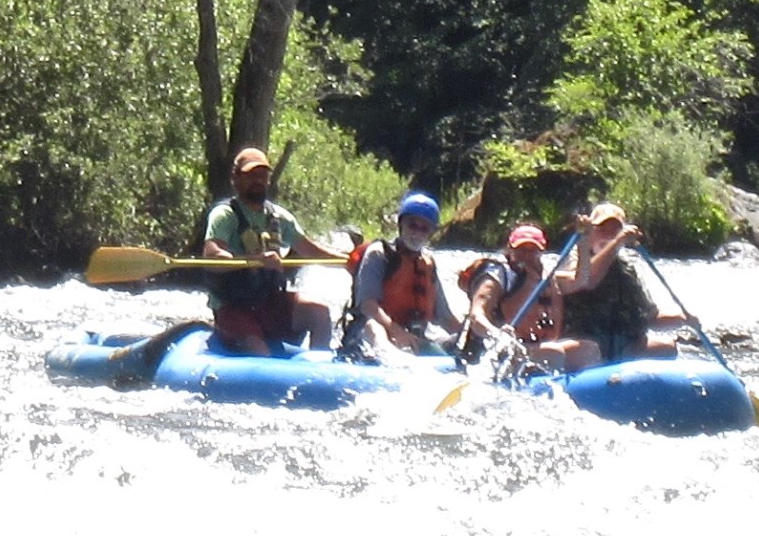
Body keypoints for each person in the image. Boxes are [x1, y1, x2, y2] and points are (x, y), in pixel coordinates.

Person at [201, 146, 346, 356]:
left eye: (262, 175)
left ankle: (319, 370)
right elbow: (212, 255)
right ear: (235, 178)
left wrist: (348, 261)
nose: (257, 180)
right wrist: (254, 260)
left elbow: (310, 250)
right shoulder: (224, 215)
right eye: (251, 175)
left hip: (270, 303)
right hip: (233, 308)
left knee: (319, 313)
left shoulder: (278, 217)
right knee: (261, 353)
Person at [554, 201, 693, 363]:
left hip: (621, 346)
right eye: (602, 230)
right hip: (586, 345)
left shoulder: (626, 270)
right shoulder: (577, 260)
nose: (608, 236)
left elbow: (651, 318)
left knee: (667, 347)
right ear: (590, 233)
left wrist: (684, 319)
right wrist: (617, 241)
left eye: (615, 231)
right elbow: (587, 280)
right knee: (588, 351)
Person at [462, 224, 601, 373]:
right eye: (521, 250)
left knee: (588, 350)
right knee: (553, 353)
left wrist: (583, 242)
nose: (526, 255)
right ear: (510, 249)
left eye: (532, 250)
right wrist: (497, 335)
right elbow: (476, 314)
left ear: (541, 251)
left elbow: (581, 280)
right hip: (503, 352)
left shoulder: (548, 277)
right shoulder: (500, 276)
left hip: (536, 348)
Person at [341, 190, 464, 357]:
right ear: (401, 225)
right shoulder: (379, 253)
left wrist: (468, 335)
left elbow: (446, 318)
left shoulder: (428, 264)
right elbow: (368, 306)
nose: (417, 233)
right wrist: (395, 331)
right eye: (412, 225)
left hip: (412, 339)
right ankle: (394, 362)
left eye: (424, 228)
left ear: (431, 232)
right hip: (368, 334)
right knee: (373, 327)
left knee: (456, 340)